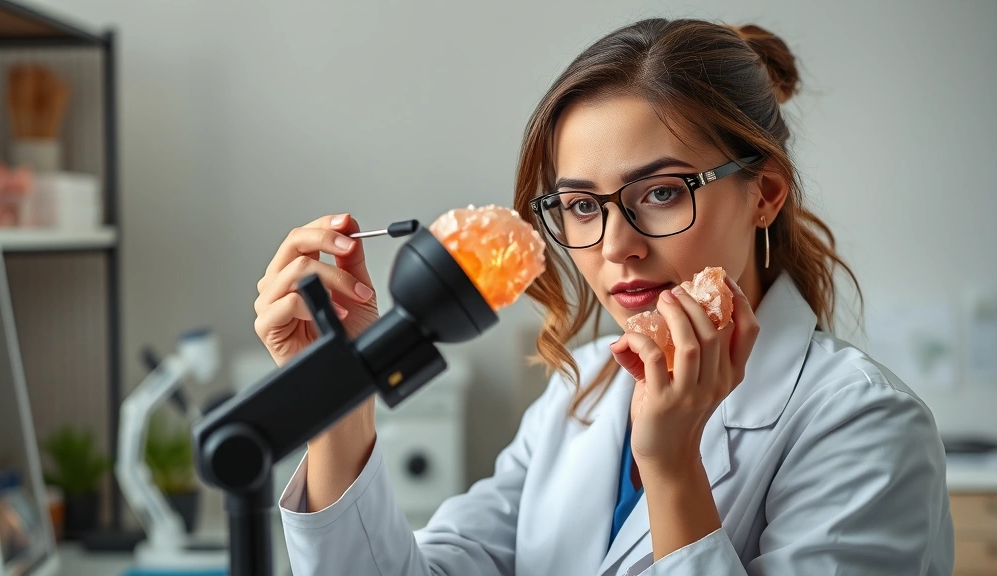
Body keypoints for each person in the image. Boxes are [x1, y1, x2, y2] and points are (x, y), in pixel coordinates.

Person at [253, 18, 954, 576]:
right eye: (581, 207)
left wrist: (673, 469)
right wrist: (338, 402)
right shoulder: (578, 394)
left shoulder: (866, 426)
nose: (617, 245)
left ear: (765, 193)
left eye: (660, 193)